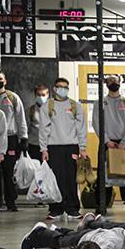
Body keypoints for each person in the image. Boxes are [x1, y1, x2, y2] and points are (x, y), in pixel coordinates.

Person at [38, 77, 88, 220]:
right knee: (56, 179)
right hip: (53, 147)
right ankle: (56, 209)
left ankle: (73, 209)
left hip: (72, 146)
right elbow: (43, 129)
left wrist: (82, 147)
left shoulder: (75, 105)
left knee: (72, 178)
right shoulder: (47, 106)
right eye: (60, 86)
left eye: (66, 87)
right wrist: (44, 149)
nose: (63, 89)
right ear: (54, 88)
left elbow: (81, 128)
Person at [91, 75, 125, 213]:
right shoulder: (100, 102)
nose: (113, 83)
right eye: (110, 81)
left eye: (116, 81)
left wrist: (124, 142)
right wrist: (106, 140)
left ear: (120, 83)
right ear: (106, 84)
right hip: (107, 143)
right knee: (103, 175)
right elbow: (96, 122)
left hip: (123, 143)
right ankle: (102, 204)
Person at [0, 70, 29, 212]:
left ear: (5, 81)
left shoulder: (13, 97)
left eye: (0, 78)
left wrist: (23, 137)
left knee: (9, 171)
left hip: (10, 138)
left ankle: (11, 202)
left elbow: (20, 118)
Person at [26, 84, 50, 160]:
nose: (41, 97)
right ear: (35, 95)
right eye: (38, 95)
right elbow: (24, 129)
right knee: (35, 170)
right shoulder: (30, 111)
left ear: (48, 95)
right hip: (34, 146)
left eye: (43, 95)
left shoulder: (54, 111)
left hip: (49, 146)